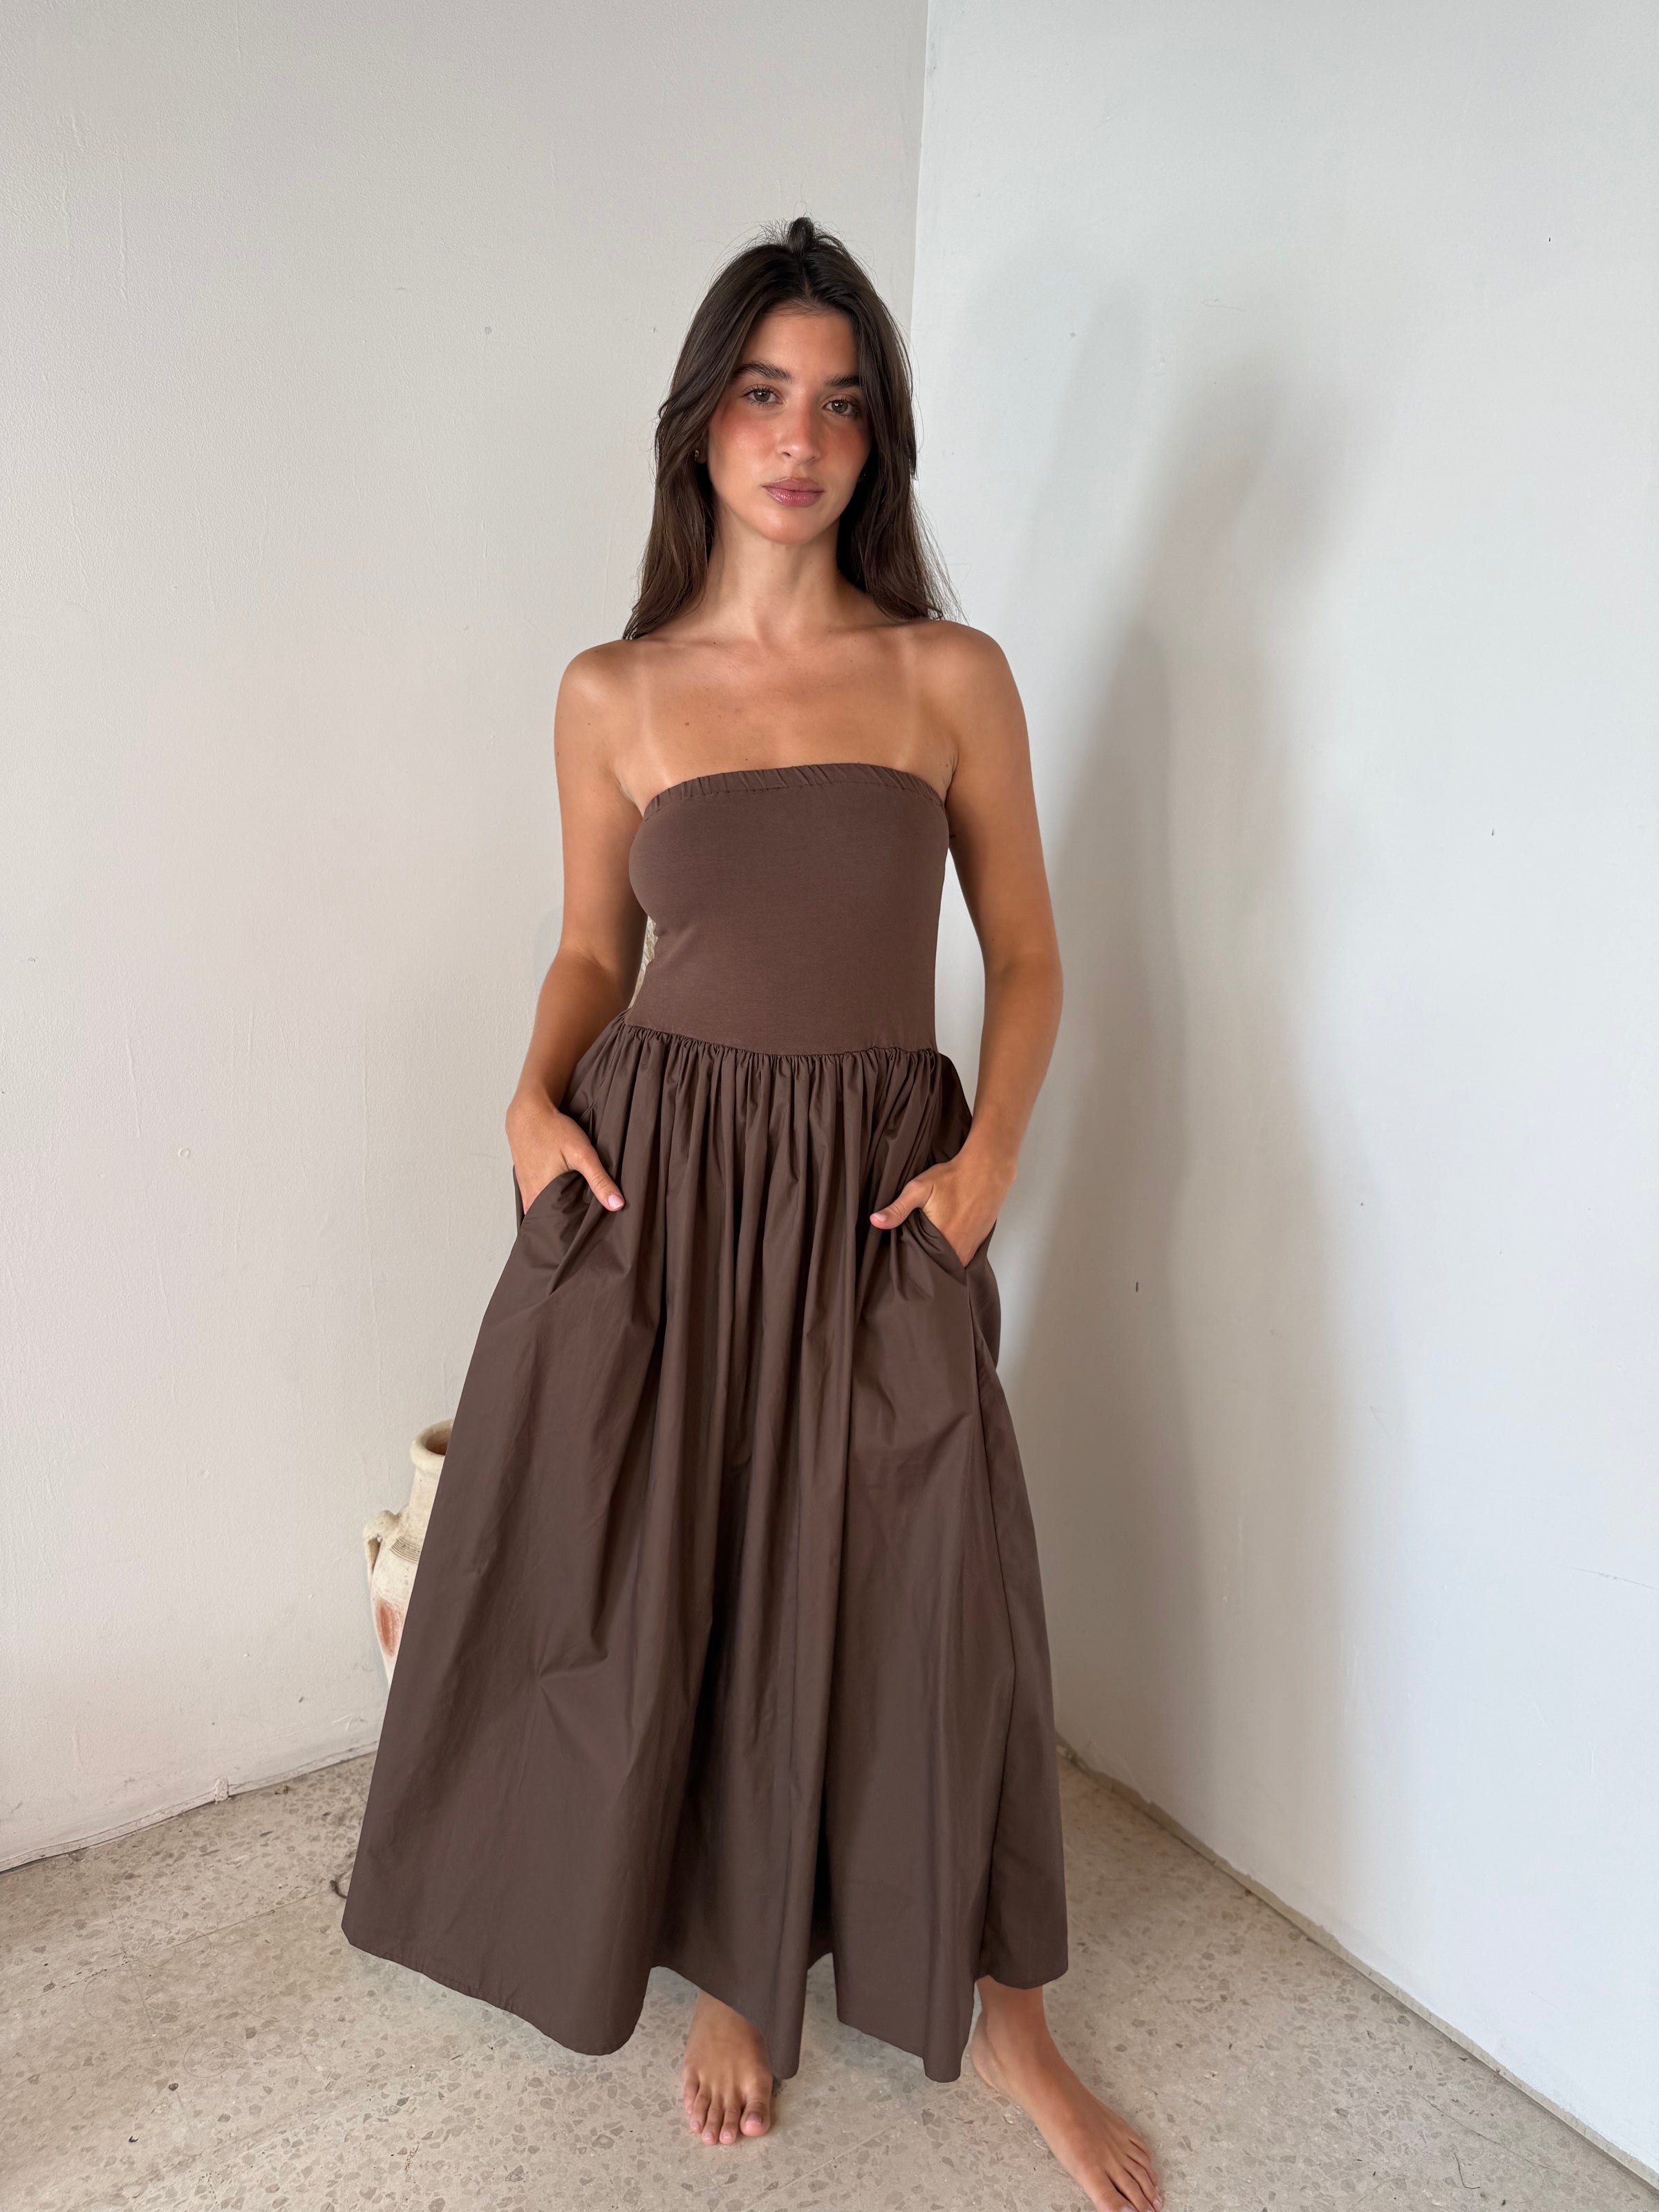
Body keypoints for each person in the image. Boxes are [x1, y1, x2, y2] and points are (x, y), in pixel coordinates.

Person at [341, 216, 1162, 2212]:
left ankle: (1006, 2011)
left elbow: (1030, 957)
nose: (800, 438)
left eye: (842, 403)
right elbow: (589, 950)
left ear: (877, 443)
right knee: (681, 1573)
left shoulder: (946, 676)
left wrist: (990, 1161)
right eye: (764, 393)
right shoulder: (611, 691)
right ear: (702, 422)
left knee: (935, 1581)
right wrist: (528, 1095)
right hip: (665, 1185)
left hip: (879, 1194)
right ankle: (734, 1969)